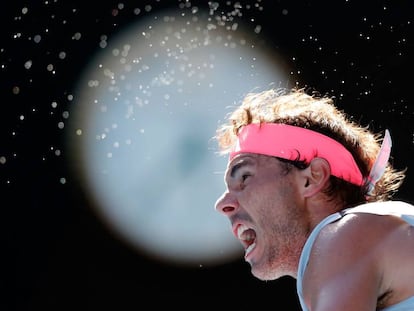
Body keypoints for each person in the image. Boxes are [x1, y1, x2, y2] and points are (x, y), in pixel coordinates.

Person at [214, 87, 414, 311]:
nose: (222, 204)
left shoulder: (344, 235)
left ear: (312, 178)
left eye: (244, 177)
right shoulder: (364, 238)